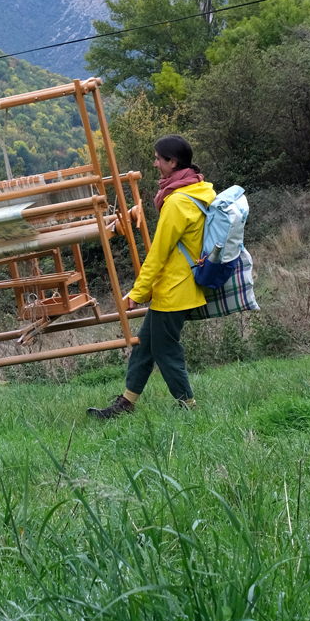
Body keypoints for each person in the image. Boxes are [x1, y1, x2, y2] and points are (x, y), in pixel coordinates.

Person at [88, 135, 215, 419]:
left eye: (159, 159)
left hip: (174, 289)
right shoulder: (200, 190)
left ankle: (189, 407)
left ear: (173, 162)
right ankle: (126, 403)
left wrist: (137, 292)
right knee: (145, 346)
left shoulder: (177, 202)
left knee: (165, 350)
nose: (156, 164)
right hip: (181, 286)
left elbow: (158, 254)